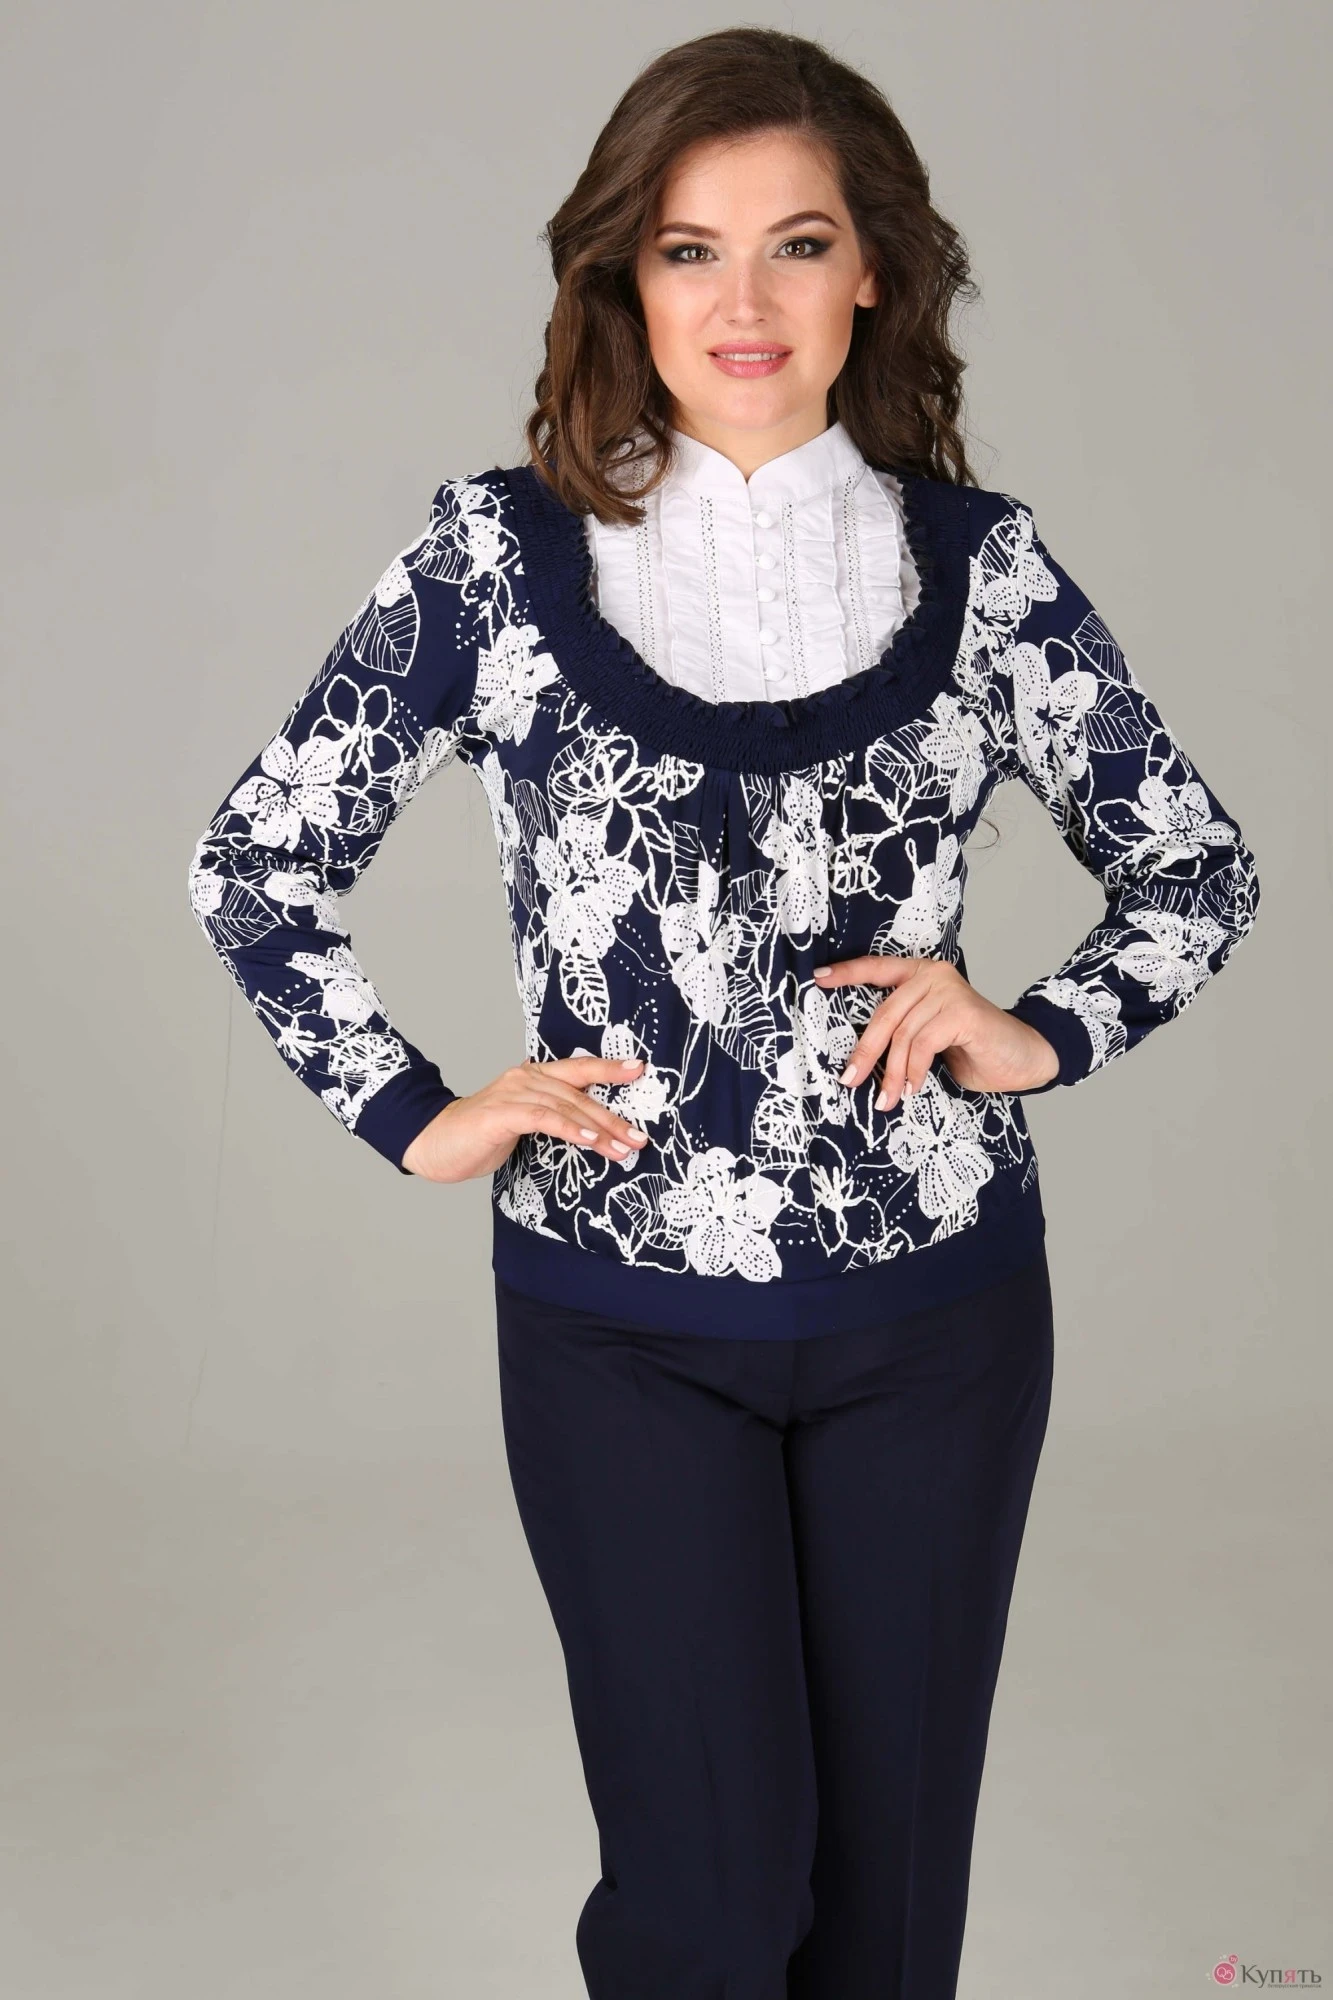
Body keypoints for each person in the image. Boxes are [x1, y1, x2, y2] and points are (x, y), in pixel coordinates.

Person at [187, 26, 1261, 2000]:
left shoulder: (980, 572)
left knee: (884, 1927)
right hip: (620, 1334)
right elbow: (256, 863)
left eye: (798, 244)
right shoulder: (495, 561)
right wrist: (420, 1111)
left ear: (877, 274)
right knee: (703, 1907)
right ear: (625, 277)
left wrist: (1035, 1027)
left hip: (937, 1325)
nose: (743, 301)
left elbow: (1195, 868)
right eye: (689, 249)